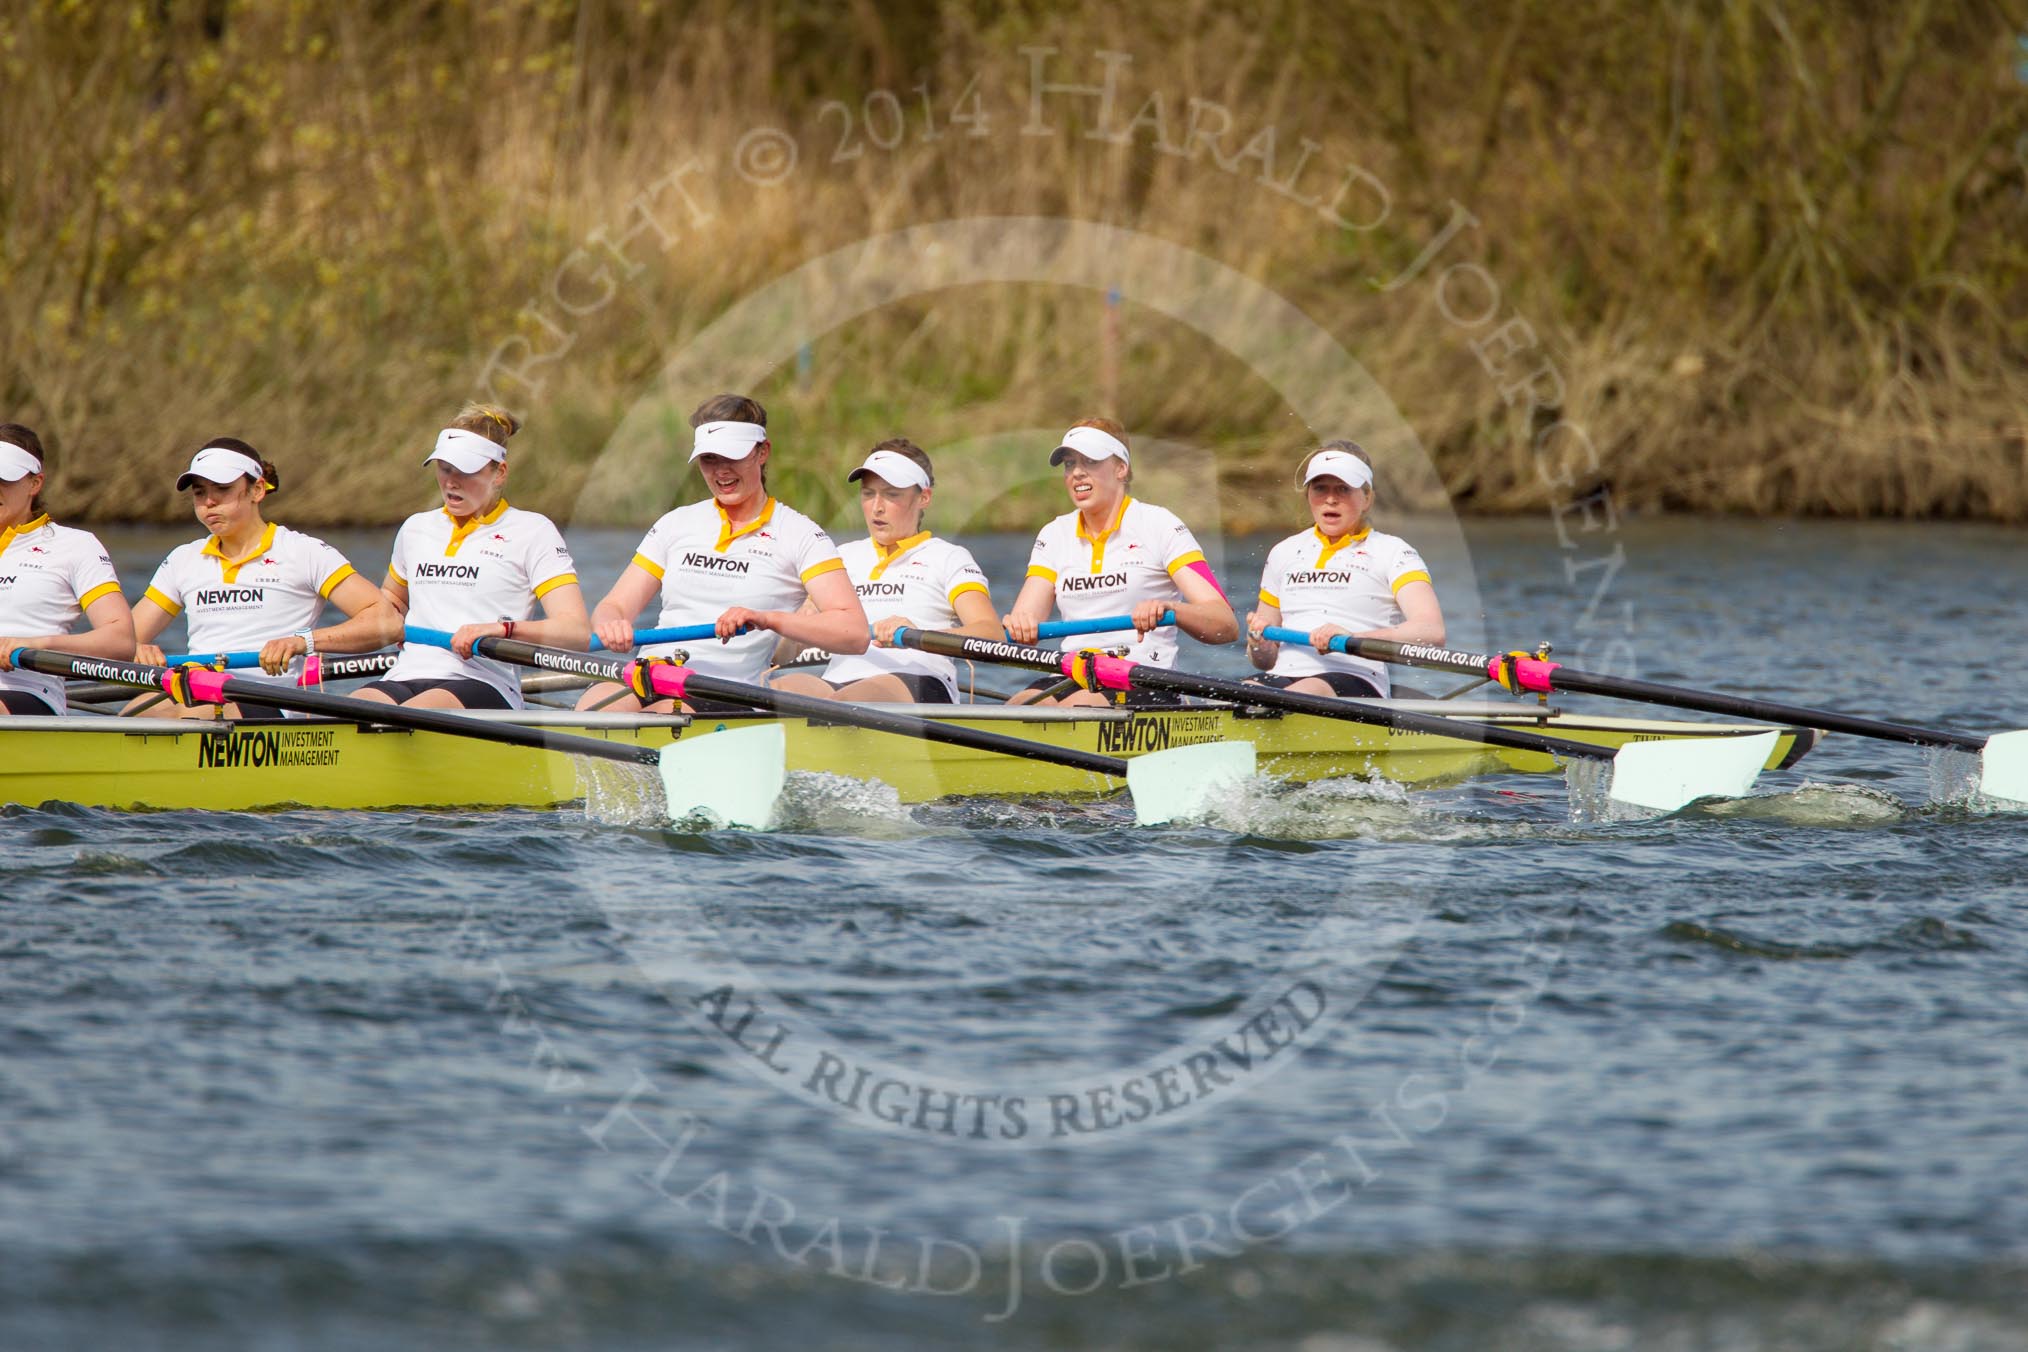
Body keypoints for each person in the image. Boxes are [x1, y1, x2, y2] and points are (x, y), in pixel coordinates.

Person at [577, 394, 867, 713]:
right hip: (650, 675)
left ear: (762, 452)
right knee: (590, 708)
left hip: (728, 692)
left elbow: (853, 634)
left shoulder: (801, 535)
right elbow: (614, 605)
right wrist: (612, 624)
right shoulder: (676, 523)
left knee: (660, 716)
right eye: (709, 459)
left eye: (732, 456)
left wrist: (767, 619)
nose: (721, 471)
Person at [127, 439, 395, 719]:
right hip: (199, 692)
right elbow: (122, 641)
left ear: (256, 490)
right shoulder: (184, 559)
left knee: (186, 715)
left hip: (270, 701)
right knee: (139, 707)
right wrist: (137, 649)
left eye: (222, 489)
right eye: (199, 493)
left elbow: (386, 621)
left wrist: (302, 642)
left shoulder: (303, 552)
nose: (209, 502)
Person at [351, 405, 588, 710]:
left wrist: (501, 629)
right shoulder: (416, 528)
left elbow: (576, 632)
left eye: (466, 471)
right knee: (346, 712)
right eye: (445, 468)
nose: (451, 482)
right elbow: (390, 604)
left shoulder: (532, 531)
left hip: (485, 681)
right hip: (405, 674)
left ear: (499, 473)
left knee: (411, 715)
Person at [1000, 418, 1237, 706]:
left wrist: (1171, 608)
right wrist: (1019, 624)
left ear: (1120, 468)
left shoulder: (1158, 524)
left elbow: (1225, 625)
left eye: (1089, 461)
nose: (1076, 473)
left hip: (1143, 674)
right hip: (1071, 672)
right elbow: (1026, 620)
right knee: (1019, 708)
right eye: (1069, 464)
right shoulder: (1054, 534)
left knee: (1078, 708)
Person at [769, 439, 998, 703]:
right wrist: (795, 630)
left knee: (848, 701)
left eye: (891, 494)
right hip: (838, 683)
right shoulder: (839, 556)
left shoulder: (948, 557)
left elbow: (990, 633)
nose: (877, 507)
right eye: (868, 494)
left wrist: (920, 635)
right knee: (772, 692)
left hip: (919, 680)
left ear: (924, 497)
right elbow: (781, 656)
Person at [1244, 441, 1444, 698]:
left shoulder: (1393, 552)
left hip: (1357, 678)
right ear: (1308, 495)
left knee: (1304, 691)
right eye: (1320, 488)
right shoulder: (1283, 552)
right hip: (1283, 678)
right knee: (1244, 692)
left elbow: (1431, 632)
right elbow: (1264, 661)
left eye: (1343, 489)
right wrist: (1258, 644)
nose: (1330, 499)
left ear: (1367, 498)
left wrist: (1353, 637)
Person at [0, 424, 135, 715]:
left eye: (4, 480)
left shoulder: (75, 546)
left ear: (35, 484)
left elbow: (120, 639)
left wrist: (34, 644)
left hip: (29, 693)